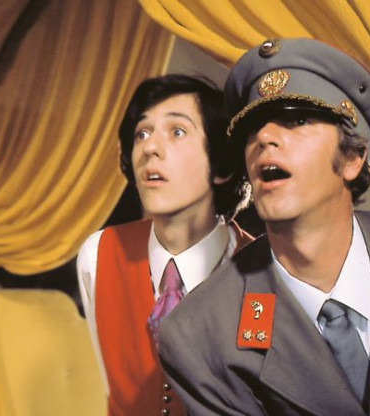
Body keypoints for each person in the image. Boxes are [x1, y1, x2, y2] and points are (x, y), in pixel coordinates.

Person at [158, 38, 370, 416]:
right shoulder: (198, 333)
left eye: (297, 120)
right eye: (252, 129)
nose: (264, 138)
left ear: (353, 157)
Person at [76, 74, 253, 416]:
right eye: (142, 133)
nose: (149, 148)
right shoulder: (97, 255)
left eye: (177, 131)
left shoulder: (264, 269)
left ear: (221, 163)